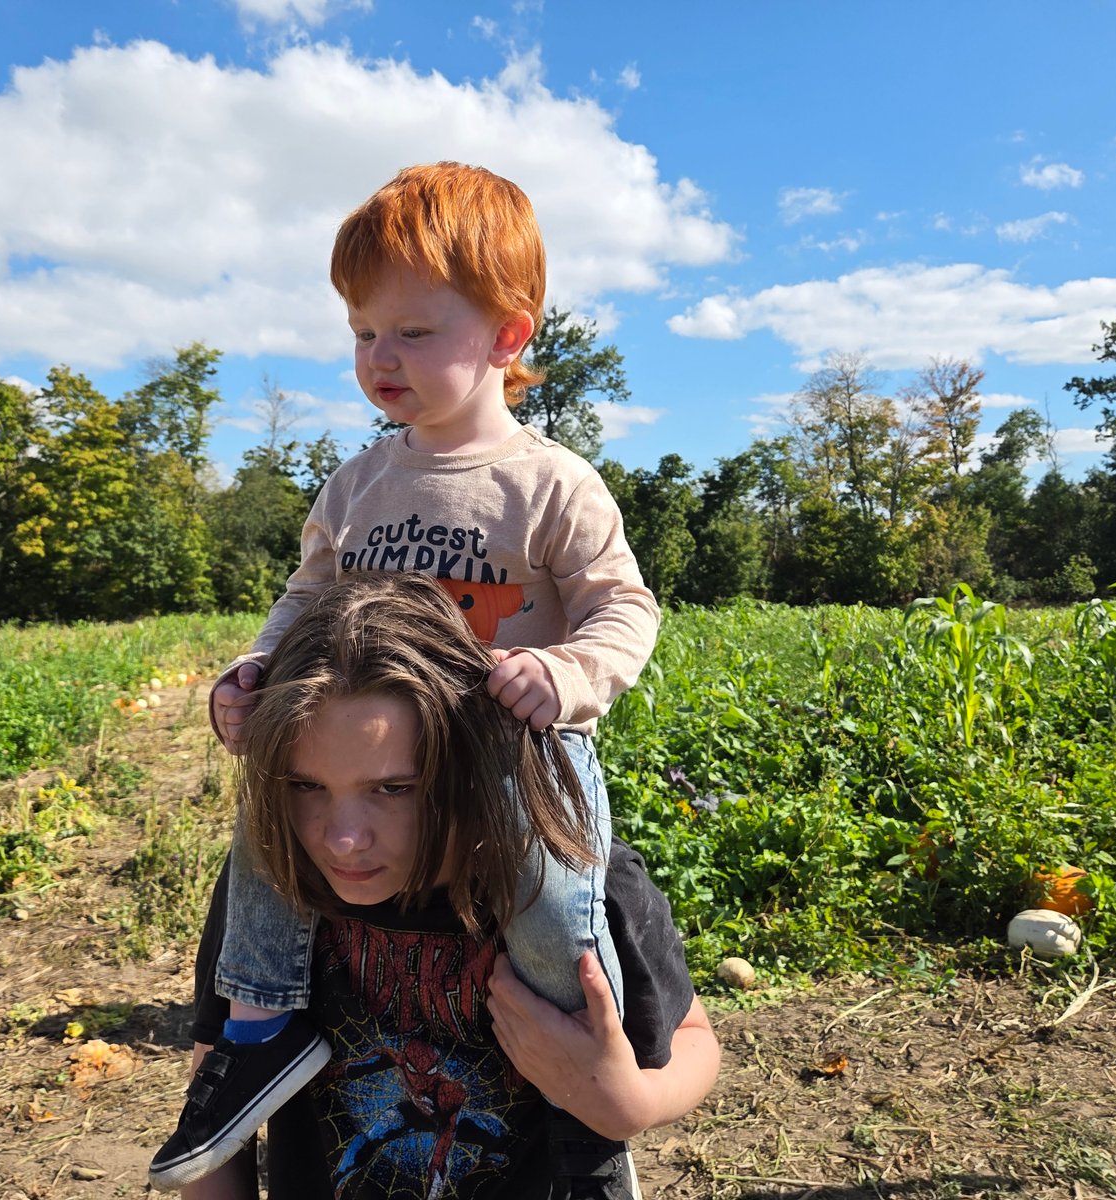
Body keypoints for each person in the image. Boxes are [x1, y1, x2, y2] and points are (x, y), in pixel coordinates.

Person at [152, 161, 661, 1194]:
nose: (379, 356)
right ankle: (255, 1031)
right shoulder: (358, 484)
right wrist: (255, 672)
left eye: (413, 331)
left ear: (507, 336)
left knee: (554, 887)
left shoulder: (550, 484)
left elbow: (625, 608)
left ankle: (577, 1077)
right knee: (267, 825)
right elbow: (305, 598)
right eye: (362, 332)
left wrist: (565, 675)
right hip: (369, 750)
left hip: (510, 748)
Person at [171, 576, 716, 1199]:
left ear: (466, 764)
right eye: (306, 786)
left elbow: (692, 1038)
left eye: (394, 789)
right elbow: (216, 1120)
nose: (343, 840)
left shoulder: (579, 885)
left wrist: (631, 1103)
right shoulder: (274, 887)